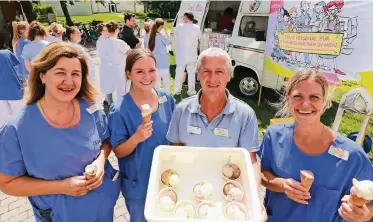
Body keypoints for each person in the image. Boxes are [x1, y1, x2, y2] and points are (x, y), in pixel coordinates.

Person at [0, 42, 121, 222]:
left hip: (102, 208)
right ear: (42, 75)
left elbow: (105, 142)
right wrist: (61, 186)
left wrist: (100, 162)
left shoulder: (91, 111)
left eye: (75, 74)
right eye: (60, 72)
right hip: (61, 215)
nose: (69, 81)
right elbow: (6, 183)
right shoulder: (17, 128)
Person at [258, 69, 373, 221]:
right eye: (298, 96)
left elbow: (370, 205)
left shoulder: (352, 156)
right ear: (288, 98)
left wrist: (363, 215)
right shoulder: (274, 136)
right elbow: (260, 174)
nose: (305, 104)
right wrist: (282, 185)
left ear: (325, 101)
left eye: (314, 97)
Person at [166, 48, 267, 222]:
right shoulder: (182, 110)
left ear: (229, 75)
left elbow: (250, 160)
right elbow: (174, 152)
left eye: (219, 71)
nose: (212, 79)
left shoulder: (245, 114)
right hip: (190, 194)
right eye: (206, 71)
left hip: (226, 197)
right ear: (198, 74)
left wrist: (254, 197)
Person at [108, 48, 175, 222]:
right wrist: (136, 137)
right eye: (139, 72)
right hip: (139, 184)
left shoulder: (166, 99)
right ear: (128, 74)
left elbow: (175, 136)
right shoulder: (119, 109)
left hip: (167, 179)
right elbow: (119, 151)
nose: (147, 77)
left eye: (151, 70)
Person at [99, 21, 131, 103]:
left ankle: (112, 105)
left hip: (109, 69)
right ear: (116, 30)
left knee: (111, 89)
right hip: (120, 68)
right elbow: (130, 52)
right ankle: (121, 108)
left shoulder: (103, 42)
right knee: (122, 91)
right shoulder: (119, 43)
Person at [173, 12, 201, 96]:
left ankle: (177, 91)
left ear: (186, 18)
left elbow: (175, 38)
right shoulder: (197, 27)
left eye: (183, 17)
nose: (182, 18)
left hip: (181, 55)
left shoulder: (179, 27)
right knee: (191, 74)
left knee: (179, 73)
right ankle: (191, 91)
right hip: (192, 55)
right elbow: (200, 38)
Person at [147, 18, 171, 94]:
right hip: (163, 63)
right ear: (160, 27)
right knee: (166, 82)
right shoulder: (160, 37)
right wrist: (166, 31)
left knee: (156, 83)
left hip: (154, 63)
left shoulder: (150, 36)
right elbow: (169, 42)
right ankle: (167, 97)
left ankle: (157, 97)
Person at [95, 23, 112, 104]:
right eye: (105, 30)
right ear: (101, 32)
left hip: (110, 65)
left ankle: (106, 99)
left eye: (108, 30)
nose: (107, 31)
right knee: (108, 84)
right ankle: (110, 103)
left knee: (109, 83)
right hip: (106, 65)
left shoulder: (108, 39)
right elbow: (104, 55)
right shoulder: (101, 41)